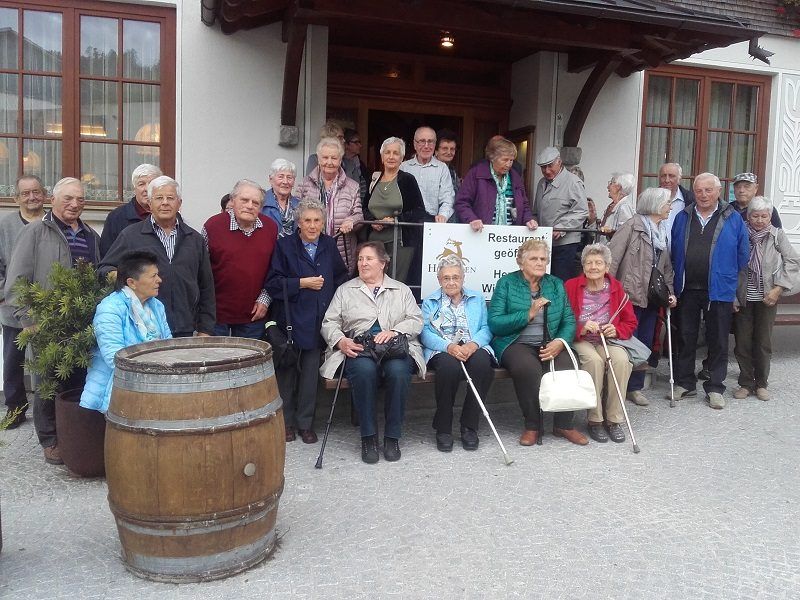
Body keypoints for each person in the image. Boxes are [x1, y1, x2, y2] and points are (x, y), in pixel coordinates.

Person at [4, 177, 100, 465]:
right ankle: (49, 438)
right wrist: (28, 320)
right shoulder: (35, 232)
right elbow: (17, 281)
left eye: (80, 200)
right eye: (68, 198)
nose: (74, 204)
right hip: (46, 323)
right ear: (54, 200)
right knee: (47, 382)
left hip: (80, 323)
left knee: (78, 381)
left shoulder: (91, 236)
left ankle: (73, 434)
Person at [320, 242, 425, 464]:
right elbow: (329, 322)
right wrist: (341, 341)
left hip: (395, 348)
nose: (363, 263)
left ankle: (392, 437)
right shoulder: (345, 290)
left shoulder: (401, 289)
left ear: (383, 263)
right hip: (360, 348)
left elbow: (416, 320)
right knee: (364, 371)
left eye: (368, 259)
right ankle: (368, 437)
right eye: (360, 259)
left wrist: (395, 331)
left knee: (398, 372)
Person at [488, 239, 587, 447]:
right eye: (534, 258)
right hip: (515, 342)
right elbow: (495, 323)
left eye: (543, 258)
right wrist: (528, 314)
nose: (540, 262)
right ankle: (533, 425)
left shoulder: (556, 284)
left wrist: (560, 342)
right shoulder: (506, 283)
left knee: (567, 364)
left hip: (550, 341)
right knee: (528, 369)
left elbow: (568, 319)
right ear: (521, 262)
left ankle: (563, 424)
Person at [266, 200, 349, 443]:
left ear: (323, 224)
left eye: (317, 221)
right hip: (290, 322)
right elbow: (272, 283)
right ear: (299, 223)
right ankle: (286, 423)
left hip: (319, 322)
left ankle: (305, 424)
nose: (312, 226)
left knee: (310, 376)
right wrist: (302, 282)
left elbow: (341, 276)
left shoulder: (329, 244)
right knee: (287, 374)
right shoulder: (284, 246)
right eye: (307, 221)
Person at [100, 176, 216, 338]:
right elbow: (105, 268)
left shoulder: (194, 239)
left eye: (170, 198)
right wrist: (124, 279)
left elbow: (206, 287)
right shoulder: (131, 236)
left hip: (186, 327)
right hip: (145, 327)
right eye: (159, 198)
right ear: (150, 203)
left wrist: (206, 328)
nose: (165, 202)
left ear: (179, 203)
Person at [671, 172, 748, 409]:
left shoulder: (733, 218)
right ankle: (685, 383)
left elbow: (743, 257)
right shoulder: (683, 216)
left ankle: (715, 387)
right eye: (699, 191)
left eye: (708, 190)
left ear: (718, 192)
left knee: (718, 339)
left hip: (720, 289)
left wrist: (737, 293)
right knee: (686, 336)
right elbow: (673, 251)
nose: (703, 195)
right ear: (693, 192)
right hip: (687, 288)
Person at [608, 187, 677, 406]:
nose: (670, 207)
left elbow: (666, 267)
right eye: (667, 203)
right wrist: (607, 291)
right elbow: (612, 258)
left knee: (645, 341)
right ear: (656, 205)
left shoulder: (661, 229)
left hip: (652, 296)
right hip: (629, 294)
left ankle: (635, 387)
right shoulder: (632, 226)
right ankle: (620, 384)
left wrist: (670, 292)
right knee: (628, 340)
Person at [79, 251, 172, 413]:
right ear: (132, 282)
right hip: (116, 389)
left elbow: (168, 345)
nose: (159, 280)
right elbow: (114, 358)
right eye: (153, 276)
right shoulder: (110, 309)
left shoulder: (156, 306)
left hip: (154, 385)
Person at [421, 255, 494, 452]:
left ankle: (469, 425)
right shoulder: (430, 302)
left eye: (455, 277)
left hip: (472, 345)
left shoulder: (476, 298)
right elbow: (425, 333)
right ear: (439, 280)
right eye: (446, 278)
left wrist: (473, 344)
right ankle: (443, 427)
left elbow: (487, 328)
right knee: (448, 368)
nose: (451, 282)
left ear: (463, 278)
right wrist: (448, 347)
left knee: (482, 365)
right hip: (443, 347)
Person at [564, 244, 637, 443]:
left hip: (608, 339)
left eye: (598, 263)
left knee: (621, 360)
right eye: (589, 263)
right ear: (583, 266)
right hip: (581, 339)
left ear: (607, 267)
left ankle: (614, 419)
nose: (593, 267)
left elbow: (630, 322)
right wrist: (581, 327)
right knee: (594, 362)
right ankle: (595, 420)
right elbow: (561, 319)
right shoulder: (571, 286)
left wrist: (617, 330)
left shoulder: (616, 289)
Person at [732, 196, 799, 401]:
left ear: (770, 216)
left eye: (764, 216)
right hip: (743, 296)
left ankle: (761, 383)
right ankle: (745, 383)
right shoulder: (740, 232)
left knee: (763, 342)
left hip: (767, 296)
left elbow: (793, 261)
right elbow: (729, 263)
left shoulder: (776, 235)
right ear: (748, 216)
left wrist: (778, 289)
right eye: (755, 215)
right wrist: (732, 295)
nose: (760, 220)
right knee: (742, 341)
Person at [202, 180, 277, 338]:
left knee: (249, 362)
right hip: (217, 315)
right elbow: (200, 270)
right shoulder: (212, 226)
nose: (250, 205)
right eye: (244, 200)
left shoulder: (270, 228)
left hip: (254, 315)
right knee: (218, 362)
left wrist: (265, 299)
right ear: (233, 200)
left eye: (255, 202)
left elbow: (275, 269)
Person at [0, 175, 46, 428]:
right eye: (26, 193)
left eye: (36, 192)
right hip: (13, 309)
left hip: (48, 308)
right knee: (13, 361)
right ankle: (15, 409)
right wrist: (4, 294)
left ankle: (46, 408)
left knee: (46, 362)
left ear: (45, 194)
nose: (32, 197)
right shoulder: (4, 227)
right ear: (16, 198)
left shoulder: (53, 223)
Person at [363, 136, 428, 285]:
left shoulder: (407, 180)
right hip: (375, 241)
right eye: (387, 152)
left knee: (395, 285)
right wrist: (373, 221)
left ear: (402, 158)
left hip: (400, 243)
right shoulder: (373, 179)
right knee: (373, 282)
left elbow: (419, 211)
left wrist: (395, 220)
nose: (391, 157)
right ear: (382, 156)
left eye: (395, 153)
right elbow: (365, 208)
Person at [297, 137, 363, 271]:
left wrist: (351, 220)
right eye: (325, 157)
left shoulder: (352, 186)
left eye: (334, 158)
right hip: (310, 249)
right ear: (318, 159)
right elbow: (297, 215)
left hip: (341, 252)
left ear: (340, 160)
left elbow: (359, 216)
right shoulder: (304, 184)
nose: (329, 162)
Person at [455, 136, 536, 231]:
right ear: (493, 158)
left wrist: (528, 219)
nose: (508, 164)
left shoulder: (515, 177)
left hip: (510, 235)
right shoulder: (476, 174)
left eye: (511, 160)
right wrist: (472, 219)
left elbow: (524, 204)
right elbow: (462, 202)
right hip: (481, 233)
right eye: (505, 160)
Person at [531, 146, 589, 281]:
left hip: (565, 244)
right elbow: (536, 211)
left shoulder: (573, 182)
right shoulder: (541, 183)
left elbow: (582, 211)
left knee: (561, 282)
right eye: (543, 167)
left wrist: (562, 227)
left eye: (550, 166)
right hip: (544, 243)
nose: (546, 171)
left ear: (559, 162)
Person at [99, 164, 163, 257]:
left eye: (152, 183)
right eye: (141, 184)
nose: (147, 189)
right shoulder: (117, 217)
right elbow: (107, 257)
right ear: (134, 189)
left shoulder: (170, 216)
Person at [400, 126, 454, 222]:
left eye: (430, 141)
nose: (426, 146)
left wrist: (443, 215)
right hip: (406, 223)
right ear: (414, 144)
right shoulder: (403, 167)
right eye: (422, 141)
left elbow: (448, 198)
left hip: (431, 222)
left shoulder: (442, 168)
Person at [261, 158, 300, 238]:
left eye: (289, 177)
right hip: (269, 248)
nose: (285, 182)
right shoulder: (260, 202)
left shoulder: (300, 205)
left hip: (293, 249)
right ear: (271, 179)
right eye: (281, 177)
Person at [659, 162, 695, 246]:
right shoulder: (650, 200)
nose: (667, 180)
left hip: (680, 255)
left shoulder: (691, 201)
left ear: (679, 179)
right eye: (663, 176)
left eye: (671, 176)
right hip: (654, 255)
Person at [597, 172, 635, 240]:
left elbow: (625, 233)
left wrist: (610, 232)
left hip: (613, 248)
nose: (607, 187)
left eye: (611, 183)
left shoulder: (624, 207)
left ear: (618, 187)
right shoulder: (613, 206)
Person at [343, 128, 369, 202]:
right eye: (356, 142)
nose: (360, 145)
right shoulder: (340, 164)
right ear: (346, 144)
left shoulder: (361, 165)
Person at [435, 128, 460, 198]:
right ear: (436, 151)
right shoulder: (431, 169)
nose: (449, 152)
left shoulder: (452, 170)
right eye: (445, 148)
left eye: (452, 149)